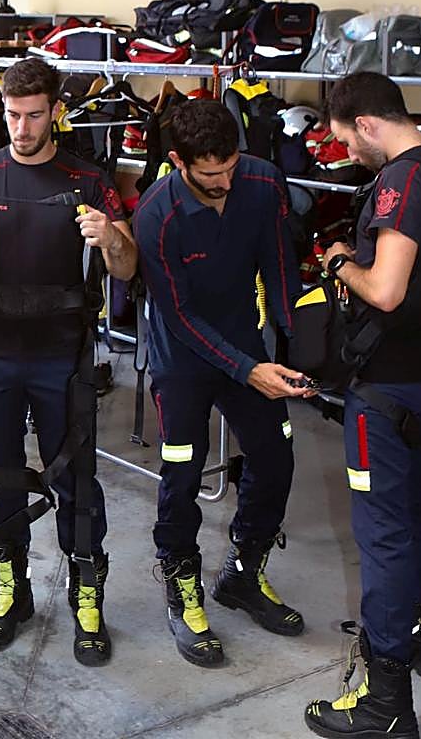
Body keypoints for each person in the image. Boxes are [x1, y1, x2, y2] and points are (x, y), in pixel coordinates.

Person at [305, 73, 421, 739]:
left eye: (347, 139)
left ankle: (385, 702)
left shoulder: (399, 183)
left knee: (384, 541)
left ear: (369, 123)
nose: (349, 152)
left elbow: (382, 290)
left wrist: (338, 263)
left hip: (381, 393)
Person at [0, 57, 137, 665]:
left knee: (77, 479)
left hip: (62, 356)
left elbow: (128, 268)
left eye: (32, 115)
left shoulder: (90, 181)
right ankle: (11, 591)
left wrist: (111, 237)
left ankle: (85, 597)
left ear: (56, 111)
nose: (21, 127)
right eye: (11, 114)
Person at [133, 99, 310, 669]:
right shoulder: (156, 215)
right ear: (180, 164)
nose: (224, 182)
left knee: (275, 456)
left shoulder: (262, 181)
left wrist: (294, 339)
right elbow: (179, 316)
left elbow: (279, 264)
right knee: (183, 466)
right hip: (181, 354)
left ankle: (243, 570)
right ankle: (181, 582)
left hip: (244, 341)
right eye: (210, 175)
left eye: (231, 166)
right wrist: (245, 368)